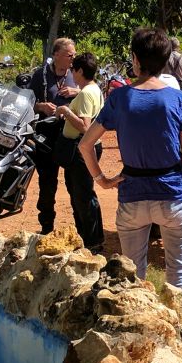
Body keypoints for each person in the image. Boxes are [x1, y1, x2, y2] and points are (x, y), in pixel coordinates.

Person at [80, 27, 182, 302]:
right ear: (166, 60)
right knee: (179, 276)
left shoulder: (120, 98)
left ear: (135, 58)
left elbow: (85, 144)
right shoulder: (178, 99)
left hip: (132, 196)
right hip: (173, 196)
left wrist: (102, 180)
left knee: (133, 280)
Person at [27, 37, 79, 234]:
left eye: (74, 55)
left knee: (75, 183)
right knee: (47, 184)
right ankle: (47, 227)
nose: (72, 58)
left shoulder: (76, 73)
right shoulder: (40, 75)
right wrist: (41, 106)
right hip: (46, 136)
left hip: (69, 135)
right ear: (56, 55)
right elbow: (27, 103)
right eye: (69, 55)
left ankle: (80, 229)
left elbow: (91, 91)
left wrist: (76, 91)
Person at [56, 51, 105, 250]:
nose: (72, 74)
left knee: (82, 195)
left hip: (81, 149)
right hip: (86, 148)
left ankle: (91, 240)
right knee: (81, 193)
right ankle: (89, 237)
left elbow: (85, 127)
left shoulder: (85, 93)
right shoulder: (94, 89)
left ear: (81, 71)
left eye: (73, 70)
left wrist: (66, 111)